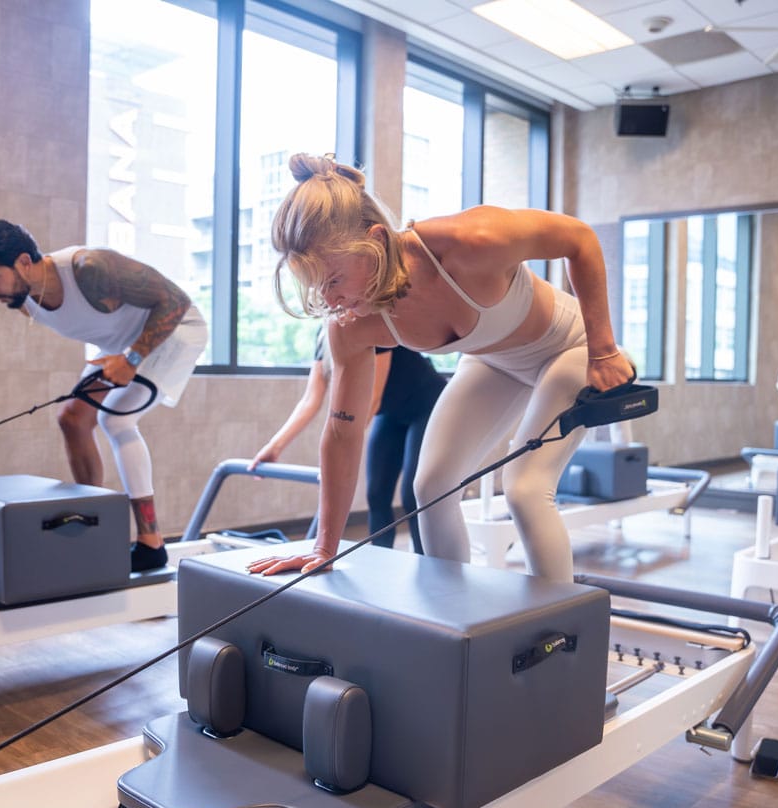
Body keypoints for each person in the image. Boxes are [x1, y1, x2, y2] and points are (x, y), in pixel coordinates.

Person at [247, 153, 634, 583]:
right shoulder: (352, 325)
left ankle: (561, 632)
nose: (329, 300)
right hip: (494, 362)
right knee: (430, 488)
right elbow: (342, 432)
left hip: (570, 347)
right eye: (315, 286)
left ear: (375, 240)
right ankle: (454, 620)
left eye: (334, 280)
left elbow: (579, 240)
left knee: (524, 489)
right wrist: (324, 548)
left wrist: (603, 349)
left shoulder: (470, 240)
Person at [0, 220, 206, 572]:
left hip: (175, 332)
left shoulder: (90, 268)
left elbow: (175, 302)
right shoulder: (23, 300)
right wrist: (124, 355)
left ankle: (151, 544)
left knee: (116, 418)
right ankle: (95, 529)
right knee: (72, 419)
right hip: (118, 346)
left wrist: (133, 358)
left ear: (24, 261)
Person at [250, 328, 446, 552]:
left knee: (413, 495)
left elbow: (372, 397)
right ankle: (381, 562)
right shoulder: (324, 335)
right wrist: (274, 447)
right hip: (391, 414)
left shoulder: (369, 322)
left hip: (427, 405)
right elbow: (310, 400)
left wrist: (339, 458)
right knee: (376, 493)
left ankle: (427, 563)